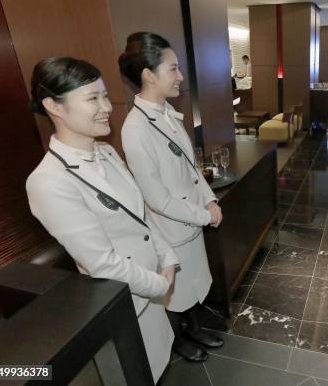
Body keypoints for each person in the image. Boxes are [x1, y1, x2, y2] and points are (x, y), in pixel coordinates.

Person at [26, 57, 177, 382]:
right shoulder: (48, 180)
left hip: (152, 294)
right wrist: (161, 284)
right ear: (54, 106)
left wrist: (167, 256)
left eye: (105, 95)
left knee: (160, 369)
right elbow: (102, 264)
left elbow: (142, 216)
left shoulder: (106, 152)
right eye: (93, 98)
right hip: (126, 303)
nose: (106, 106)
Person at [119, 32, 224, 363]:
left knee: (191, 282)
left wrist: (209, 200)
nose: (180, 77)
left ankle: (194, 328)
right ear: (149, 75)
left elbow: (193, 168)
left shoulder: (168, 113)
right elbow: (157, 198)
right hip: (171, 226)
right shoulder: (135, 129)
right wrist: (204, 215)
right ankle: (179, 338)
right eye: (173, 69)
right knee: (174, 291)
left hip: (190, 217)